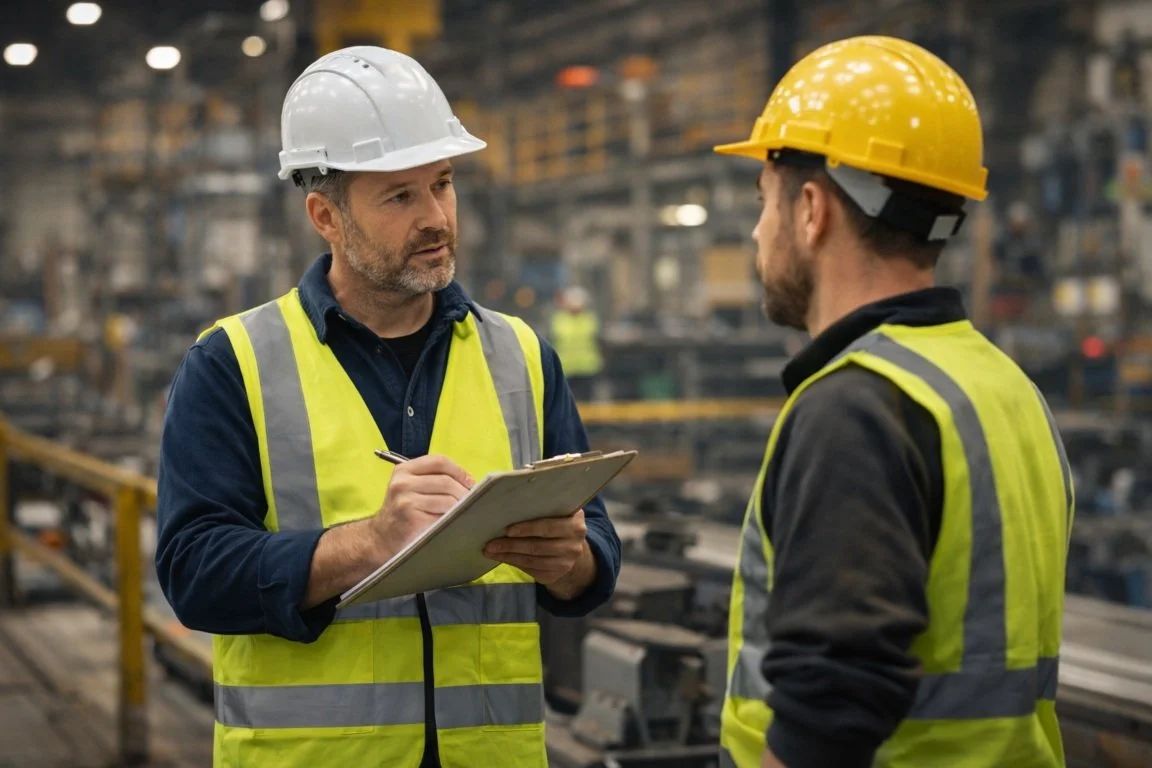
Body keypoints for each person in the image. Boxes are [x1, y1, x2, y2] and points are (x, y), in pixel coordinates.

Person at [154, 46, 621, 768]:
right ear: (326, 216)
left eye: (443, 183)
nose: (436, 217)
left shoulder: (520, 355)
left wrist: (575, 563)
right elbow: (193, 573)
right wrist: (367, 544)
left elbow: (596, 550)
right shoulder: (232, 363)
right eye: (400, 196)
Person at [711, 36, 1073, 768]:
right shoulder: (1003, 386)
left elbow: (833, 700)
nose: (757, 233)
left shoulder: (854, 407)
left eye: (763, 203)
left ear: (810, 211)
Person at [549, 286, 604, 402]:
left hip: (587, 368)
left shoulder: (590, 319)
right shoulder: (559, 320)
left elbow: (598, 340)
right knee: (566, 402)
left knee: (587, 401)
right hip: (566, 368)